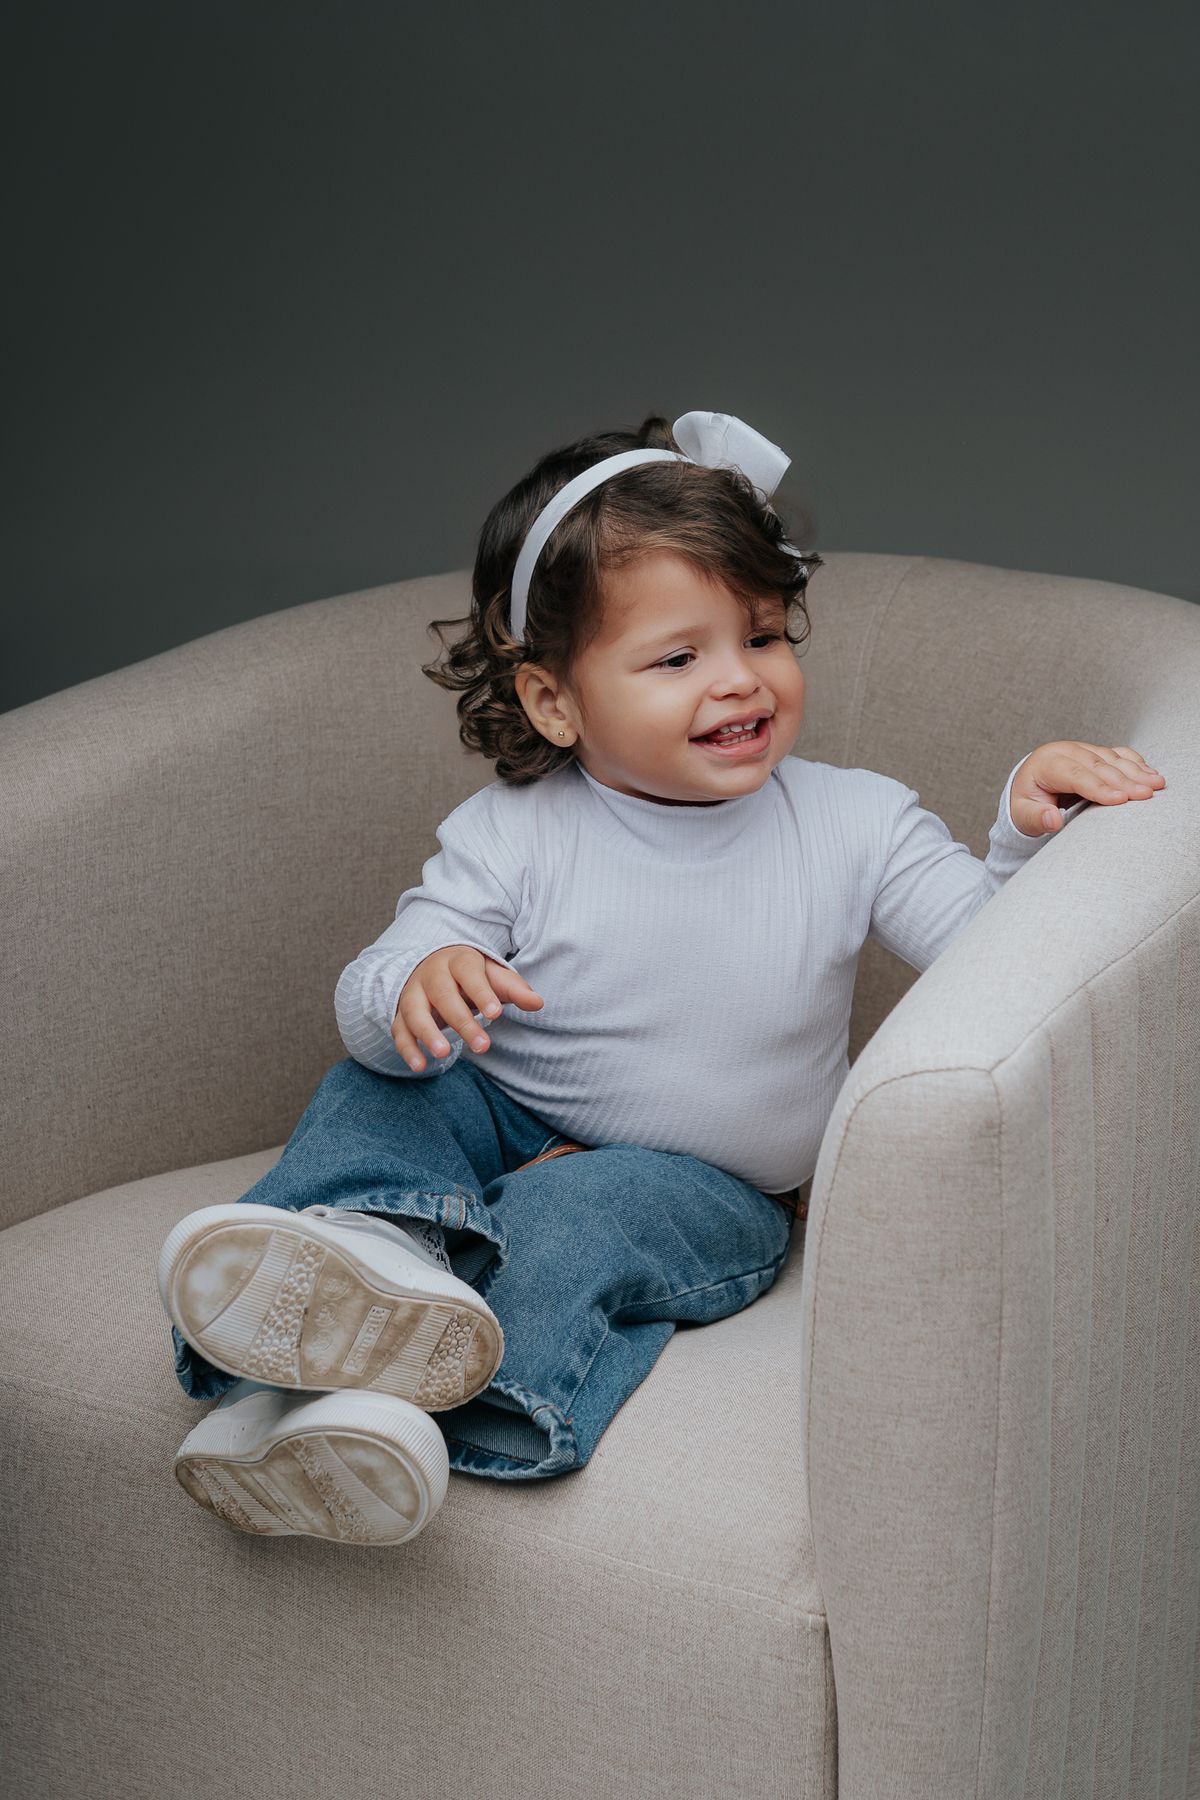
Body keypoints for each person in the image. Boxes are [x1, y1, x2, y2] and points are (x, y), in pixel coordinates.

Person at [158, 410, 1164, 1546]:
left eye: (764, 636)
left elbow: (998, 963)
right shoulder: (512, 833)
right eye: (679, 658)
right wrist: (416, 982)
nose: (740, 682)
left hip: (710, 1187)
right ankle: (341, 1272)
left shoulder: (857, 822)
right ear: (554, 700)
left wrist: (1025, 832)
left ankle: (423, 1421)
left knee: (571, 1222)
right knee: (382, 1082)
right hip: (513, 1111)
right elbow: (373, 994)